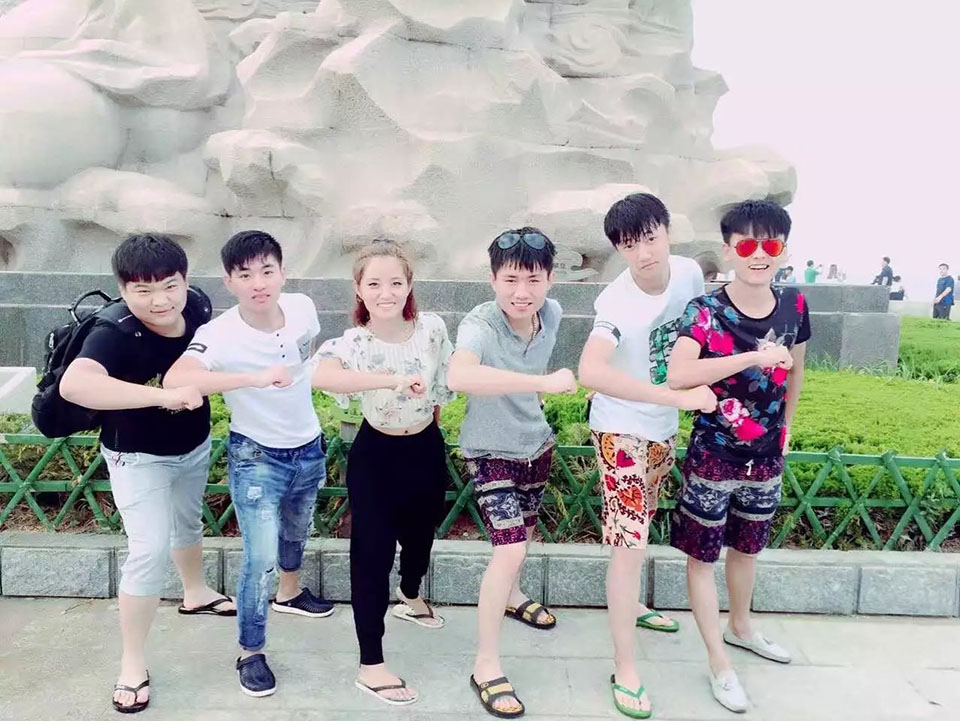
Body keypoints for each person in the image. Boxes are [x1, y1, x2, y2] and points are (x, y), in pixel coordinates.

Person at [58, 234, 234, 714]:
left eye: (170, 285)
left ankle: (195, 592)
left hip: (192, 444)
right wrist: (163, 396)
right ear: (122, 289)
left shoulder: (198, 306)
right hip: (136, 457)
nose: (160, 301)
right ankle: (132, 663)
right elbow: (75, 385)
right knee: (149, 550)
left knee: (187, 522)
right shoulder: (114, 331)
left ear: (186, 281)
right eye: (143, 290)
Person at [164, 230, 333, 698]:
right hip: (257, 456)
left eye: (267, 271)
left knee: (296, 532)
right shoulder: (217, 333)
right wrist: (252, 378)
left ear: (282, 273)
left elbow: (308, 357)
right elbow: (178, 378)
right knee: (259, 559)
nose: (258, 283)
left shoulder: (303, 308)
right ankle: (250, 651)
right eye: (245, 275)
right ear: (229, 281)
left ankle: (290, 593)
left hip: (308, 445)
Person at [667, 200, 810, 714]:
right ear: (728, 250)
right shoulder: (704, 311)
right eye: (746, 244)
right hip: (714, 455)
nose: (758, 254)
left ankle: (742, 628)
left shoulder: (795, 305)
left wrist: (787, 425)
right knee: (702, 558)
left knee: (748, 550)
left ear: (784, 251)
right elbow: (679, 375)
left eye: (769, 245)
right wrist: (752, 355)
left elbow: (796, 370)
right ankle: (718, 661)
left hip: (766, 456)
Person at [577, 193, 717, 719]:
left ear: (667, 232)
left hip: (662, 429)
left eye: (651, 239)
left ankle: (633, 604)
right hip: (620, 430)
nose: (644, 254)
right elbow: (591, 370)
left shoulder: (689, 275)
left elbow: (700, 339)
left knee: (643, 522)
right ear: (619, 249)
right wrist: (673, 397)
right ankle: (625, 668)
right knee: (629, 543)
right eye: (630, 246)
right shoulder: (614, 303)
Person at [312, 239, 454, 706]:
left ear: (410, 285)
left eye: (396, 282)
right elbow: (323, 377)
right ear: (358, 289)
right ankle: (370, 662)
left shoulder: (432, 329)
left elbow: (444, 385)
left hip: (425, 447)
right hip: (375, 455)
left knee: (421, 536)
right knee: (370, 554)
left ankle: (410, 594)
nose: (385, 292)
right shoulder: (353, 341)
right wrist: (391, 380)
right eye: (374, 283)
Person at [447, 227, 578, 718]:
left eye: (533, 280)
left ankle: (515, 596)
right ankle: (486, 664)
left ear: (550, 280)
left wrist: (537, 392)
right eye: (510, 280)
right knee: (510, 548)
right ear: (492, 279)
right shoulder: (480, 323)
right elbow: (459, 375)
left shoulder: (553, 313)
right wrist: (539, 382)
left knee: (525, 533)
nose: (522, 292)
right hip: (489, 451)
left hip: (535, 444)